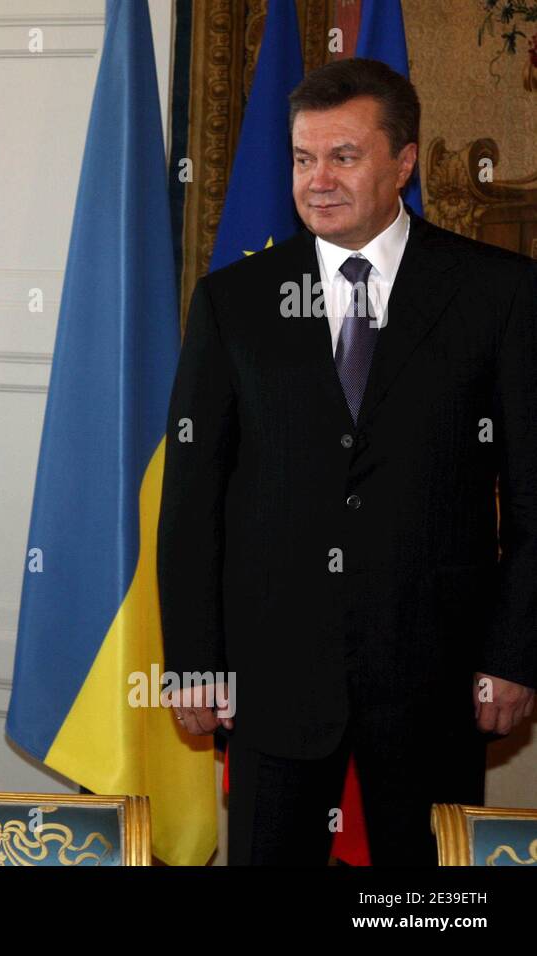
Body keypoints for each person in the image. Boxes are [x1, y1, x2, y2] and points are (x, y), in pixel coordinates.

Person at [157, 58, 536, 865]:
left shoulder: (498, 295)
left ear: (403, 162)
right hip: (271, 678)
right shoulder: (234, 303)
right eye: (302, 159)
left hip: (437, 678)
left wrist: (513, 655)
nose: (318, 180)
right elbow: (194, 499)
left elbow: (533, 497)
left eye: (344, 156)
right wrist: (193, 662)